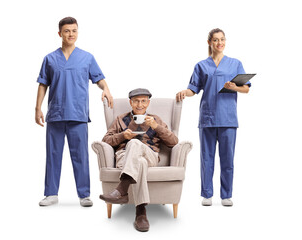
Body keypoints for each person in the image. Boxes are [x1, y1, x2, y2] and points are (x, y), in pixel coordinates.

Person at [35, 17, 113, 207]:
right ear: (60, 33)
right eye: (67, 31)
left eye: (74, 30)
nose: (71, 34)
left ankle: (84, 194)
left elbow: (99, 79)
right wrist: (37, 108)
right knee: (53, 154)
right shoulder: (50, 59)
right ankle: (51, 193)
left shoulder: (87, 57)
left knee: (80, 155)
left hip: (78, 114)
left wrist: (106, 89)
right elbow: (43, 84)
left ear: (78, 33)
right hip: (56, 113)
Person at [176, 28, 250, 207]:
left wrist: (234, 87)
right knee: (206, 158)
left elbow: (246, 88)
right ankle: (207, 194)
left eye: (222, 39)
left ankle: (226, 195)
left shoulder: (235, 64)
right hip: (208, 117)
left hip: (228, 118)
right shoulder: (201, 66)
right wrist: (184, 92)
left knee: (227, 158)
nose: (220, 43)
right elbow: (193, 89)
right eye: (216, 40)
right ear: (209, 42)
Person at [99, 88, 178, 232]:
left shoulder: (156, 119)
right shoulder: (120, 119)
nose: (139, 104)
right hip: (125, 156)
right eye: (136, 101)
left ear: (148, 103)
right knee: (138, 160)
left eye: (143, 101)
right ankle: (141, 213)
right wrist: (122, 136)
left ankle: (122, 190)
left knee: (136, 143)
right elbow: (106, 140)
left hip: (150, 155)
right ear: (131, 102)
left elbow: (174, 142)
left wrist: (157, 127)